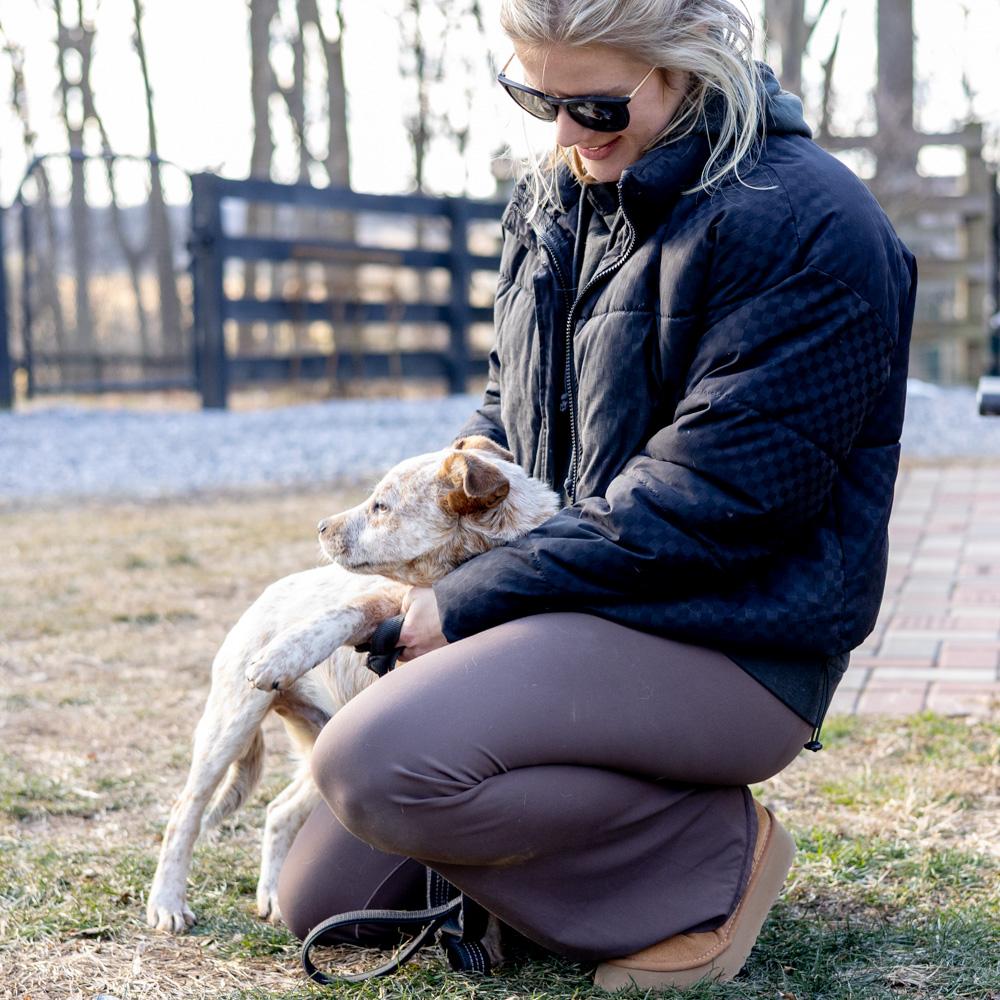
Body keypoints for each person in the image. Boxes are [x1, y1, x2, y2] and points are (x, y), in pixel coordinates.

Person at [277, 0, 916, 990]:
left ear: (688, 67)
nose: (567, 135)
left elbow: (712, 506)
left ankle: (707, 852)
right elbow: (507, 419)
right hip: (571, 606)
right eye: (535, 98)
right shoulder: (554, 197)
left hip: (728, 639)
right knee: (324, 900)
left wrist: (467, 603)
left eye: (598, 106)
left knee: (374, 766)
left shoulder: (810, 225)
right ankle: (589, 843)